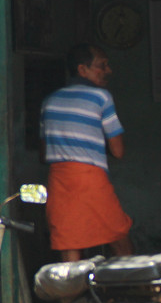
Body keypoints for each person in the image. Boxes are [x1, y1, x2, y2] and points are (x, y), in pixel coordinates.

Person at [40, 43, 133, 262]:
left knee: (69, 244)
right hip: (90, 179)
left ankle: (70, 297)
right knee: (119, 238)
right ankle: (132, 290)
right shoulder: (101, 97)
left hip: (59, 181)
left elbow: (43, 154)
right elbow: (118, 151)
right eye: (102, 66)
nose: (108, 71)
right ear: (82, 70)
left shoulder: (49, 101)